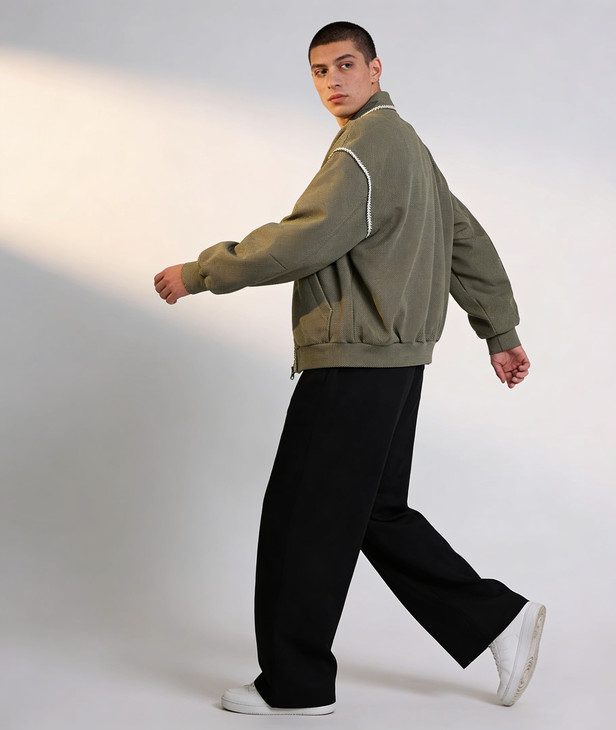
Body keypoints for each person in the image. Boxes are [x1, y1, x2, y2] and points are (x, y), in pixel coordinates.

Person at [154, 21, 545, 717]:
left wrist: (201, 272)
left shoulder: (367, 146)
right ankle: (497, 620)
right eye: (319, 71)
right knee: (373, 511)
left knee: (303, 518)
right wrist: (500, 330)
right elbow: (463, 236)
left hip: (356, 360)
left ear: (375, 68)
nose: (332, 81)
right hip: (396, 362)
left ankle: (295, 685)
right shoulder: (408, 146)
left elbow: (303, 240)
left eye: (344, 65)